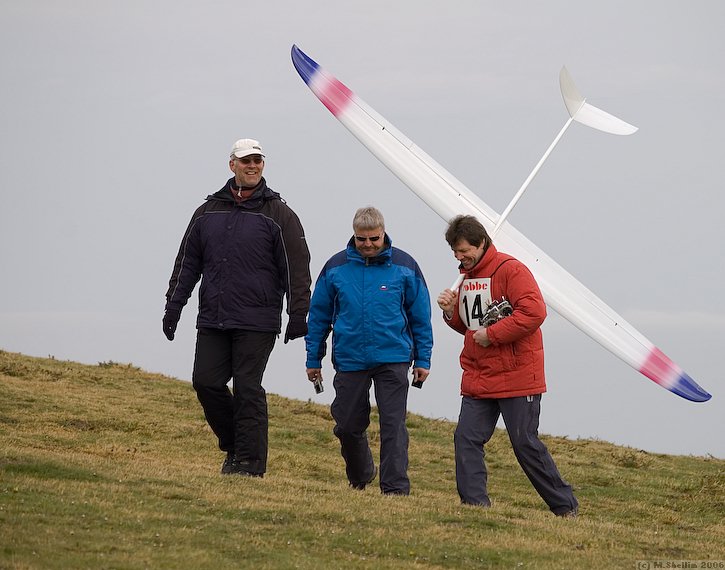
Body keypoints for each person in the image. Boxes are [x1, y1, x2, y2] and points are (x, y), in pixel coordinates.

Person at [162, 138, 311, 477]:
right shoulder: (207, 212)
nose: (252, 166)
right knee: (206, 383)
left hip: (257, 320)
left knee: (247, 388)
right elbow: (187, 264)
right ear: (232, 165)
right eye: (246, 161)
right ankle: (234, 445)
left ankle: (249, 463)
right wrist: (174, 306)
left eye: (258, 161)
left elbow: (297, 268)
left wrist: (298, 313)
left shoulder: (279, 215)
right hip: (214, 317)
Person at [436, 214, 578, 517]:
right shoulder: (465, 278)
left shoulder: (512, 269)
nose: (461, 258)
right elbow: (469, 328)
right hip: (479, 376)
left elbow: (534, 312)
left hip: (518, 377)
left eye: (465, 251)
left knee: (524, 444)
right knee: (466, 438)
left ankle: (565, 506)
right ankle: (475, 507)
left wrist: (493, 334)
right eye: (456, 253)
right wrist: (451, 314)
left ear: (482, 243)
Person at [305, 207, 433, 495]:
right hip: (350, 360)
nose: (368, 245)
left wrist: (423, 358)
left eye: (374, 238)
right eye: (361, 239)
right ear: (354, 235)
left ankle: (395, 489)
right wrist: (314, 358)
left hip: (394, 359)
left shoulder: (405, 266)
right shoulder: (335, 267)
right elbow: (319, 316)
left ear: (383, 233)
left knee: (393, 426)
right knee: (348, 425)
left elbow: (421, 316)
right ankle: (361, 475)